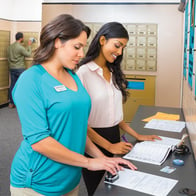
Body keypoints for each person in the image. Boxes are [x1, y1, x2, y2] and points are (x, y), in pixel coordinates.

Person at [9, 14, 137, 196]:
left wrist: (103, 159)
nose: (81, 54)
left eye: (83, 47)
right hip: (37, 183)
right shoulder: (31, 80)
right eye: (76, 47)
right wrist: (89, 163)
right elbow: (39, 142)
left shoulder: (72, 75)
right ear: (57, 42)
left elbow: (79, 127)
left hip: (70, 178)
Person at [77, 22, 161, 196]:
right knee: (98, 190)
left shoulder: (113, 71)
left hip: (115, 136)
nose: (120, 52)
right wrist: (109, 146)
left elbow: (115, 115)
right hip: (93, 142)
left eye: (123, 47)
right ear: (102, 40)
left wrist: (137, 135)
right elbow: (80, 122)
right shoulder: (83, 73)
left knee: (116, 189)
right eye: (117, 45)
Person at [7, 32, 32, 108]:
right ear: (21, 38)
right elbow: (28, 54)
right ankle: (23, 103)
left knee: (13, 85)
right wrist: (29, 46)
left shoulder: (10, 47)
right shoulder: (20, 47)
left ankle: (11, 103)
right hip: (20, 68)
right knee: (23, 85)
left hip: (12, 68)